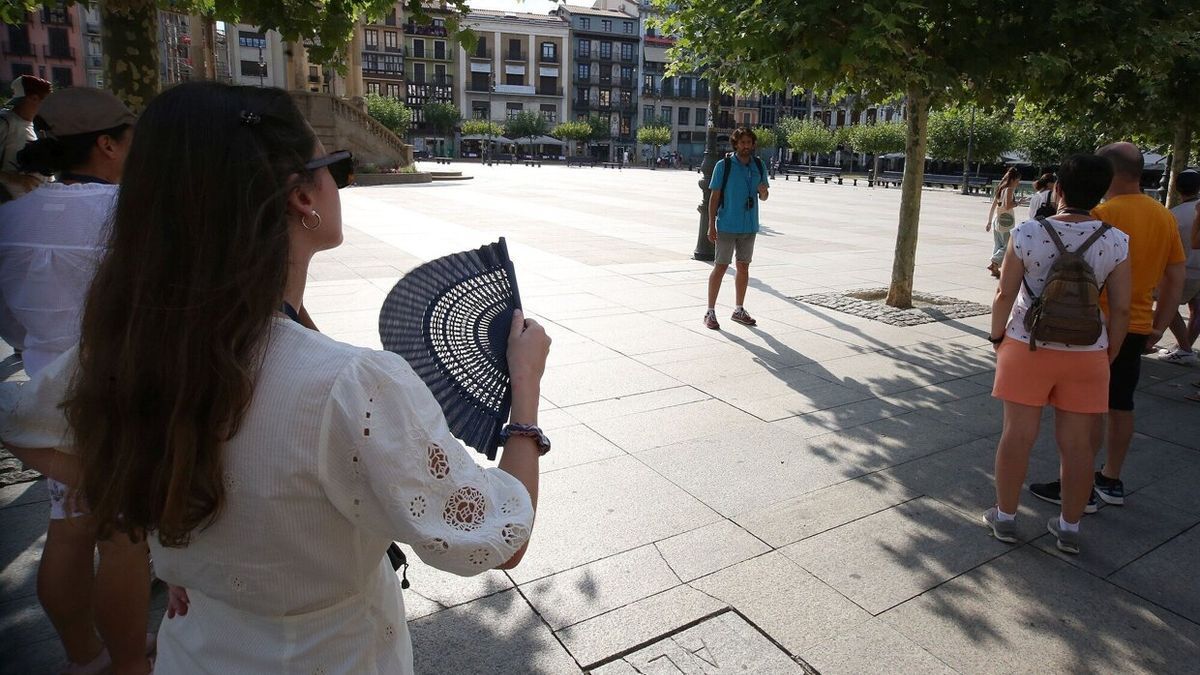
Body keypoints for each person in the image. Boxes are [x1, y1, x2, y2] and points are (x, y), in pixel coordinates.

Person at [0, 82, 550, 674]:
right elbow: (502, 539)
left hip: (198, 650)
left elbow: (22, 426)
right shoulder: (351, 384)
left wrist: (162, 519)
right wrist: (525, 391)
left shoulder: (125, 349)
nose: (341, 184)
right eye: (336, 168)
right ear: (299, 197)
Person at [0, 87, 150, 675]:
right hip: (119, 395)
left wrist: (42, 349)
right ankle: (130, 664)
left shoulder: (11, 217)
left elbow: (8, 318)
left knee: (67, 527)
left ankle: (84, 656)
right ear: (108, 144)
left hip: (47, 392)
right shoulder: (133, 215)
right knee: (123, 537)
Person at [985, 154, 1131, 555]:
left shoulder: (1029, 232)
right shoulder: (1116, 240)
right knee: (1078, 445)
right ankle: (1069, 527)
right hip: (1088, 351)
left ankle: (1006, 518)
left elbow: (1005, 293)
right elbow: (1120, 308)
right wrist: (1110, 351)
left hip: (1025, 343)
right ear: (1101, 193)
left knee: (1017, 435)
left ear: (1058, 190)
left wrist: (997, 336)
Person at [1029, 142, 1185, 509]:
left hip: (1093, 327)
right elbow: (1175, 275)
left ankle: (1076, 490)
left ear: (1107, 173)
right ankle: (1111, 478)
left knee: (1088, 411)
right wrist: (1160, 325)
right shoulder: (1165, 216)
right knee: (1121, 404)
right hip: (1138, 325)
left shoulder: (1101, 214)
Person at [705, 127, 769, 330]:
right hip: (727, 224)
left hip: (749, 225)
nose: (745, 146)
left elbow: (765, 196)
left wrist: (763, 191)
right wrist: (710, 225)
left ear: (753, 144)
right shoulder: (723, 165)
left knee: (743, 266)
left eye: (749, 142)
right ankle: (710, 311)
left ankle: (738, 309)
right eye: (742, 142)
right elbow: (714, 197)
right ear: (735, 144)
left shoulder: (759, 165)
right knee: (721, 266)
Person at [1155, 169, 1200, 365]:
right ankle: (1186, 346)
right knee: (1196, 309)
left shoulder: (1174, 215)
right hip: (1197, 268)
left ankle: (1185, 348)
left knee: (1168, 306)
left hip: (1184, 268)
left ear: (1175, 187)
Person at [0, 74, 51, 202]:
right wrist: (15, 179)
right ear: (33, 98)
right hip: (8, 210)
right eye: (47, 101)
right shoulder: (4, 122)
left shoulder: (39, 126)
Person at [985, 167, 1021, 278]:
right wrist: (1017, 203)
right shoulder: (1009, 189)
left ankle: (994, 268)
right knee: (1007, 245)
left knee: (998, 244)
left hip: (997, 219)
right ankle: (995, 262)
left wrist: (989, 221)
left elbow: (993, 206)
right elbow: (1008, 205)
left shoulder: (1000, 188)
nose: (1018, 183)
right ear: (1013, 179)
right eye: (1018, 180)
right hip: (1006, 221)